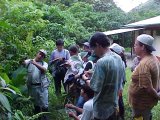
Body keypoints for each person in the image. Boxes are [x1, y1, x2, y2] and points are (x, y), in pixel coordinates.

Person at [89, 32, 124, 120]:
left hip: (102, 110)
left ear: (98, 45)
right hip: (113, 106)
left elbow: (95, 87)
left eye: (93, 48)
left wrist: (85, 78)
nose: (94, 52)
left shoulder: (101, 62)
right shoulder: (118, 58)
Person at [128, 34, 160, 120]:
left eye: (136, 45)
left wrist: (157, 96)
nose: (134, 47)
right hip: (146, 103)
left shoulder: (144, 64)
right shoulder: (153, 58)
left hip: (141, 104)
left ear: (143, 47)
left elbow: (148, 88)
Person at [24, 49, 49, 120]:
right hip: (32, 87)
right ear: (37, 53)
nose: (41, 56)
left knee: (44, 104)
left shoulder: (44, 63)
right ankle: (37, 117)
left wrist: (34, 63)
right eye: (40, 53)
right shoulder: (29, 61)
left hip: (42, 87)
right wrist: (23, 60)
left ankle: (45, 117)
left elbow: (44, 70)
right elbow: (22, 63)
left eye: (43, 55)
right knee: (36, 104)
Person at [110, 43, 126, 120]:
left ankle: (120, 115)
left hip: (118, 85)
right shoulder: (118, 61)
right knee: (118, 100)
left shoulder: (119, 62)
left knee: (118, 100)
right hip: (118, 84)